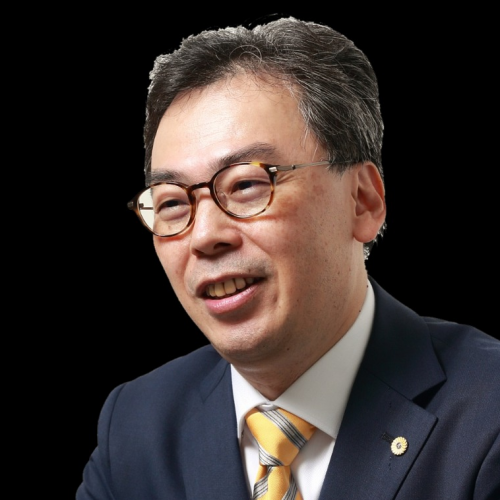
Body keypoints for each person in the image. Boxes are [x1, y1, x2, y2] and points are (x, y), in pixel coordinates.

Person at [77, 16, 500, 500]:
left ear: (362, 201)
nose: (205, 236)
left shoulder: (489, 419)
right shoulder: (135, 428)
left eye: (246, 184)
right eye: (172, 202)